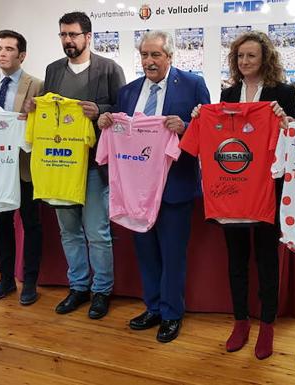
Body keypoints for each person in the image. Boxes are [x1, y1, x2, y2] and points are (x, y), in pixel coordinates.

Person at [98, 30, 210, 342]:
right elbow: (119, 130)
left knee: (173, 255)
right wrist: (106, 122)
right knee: (145, 253)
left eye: (155, 55)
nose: (149, 61)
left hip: (175, 187)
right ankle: (153, 307)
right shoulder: (129, 91)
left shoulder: (192, 85)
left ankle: (173, 314)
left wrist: (186, 128)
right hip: (136, 190)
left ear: (170, 56)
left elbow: (208, 132)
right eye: (145, 55)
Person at [193, 31, 295, 359]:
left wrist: (284, 119)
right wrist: (199, 117)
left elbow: (290, 135)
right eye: (240, 57)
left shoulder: (282, 92)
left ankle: (267, 325)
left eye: (251, 56)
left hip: (266, 187)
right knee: (236, 259)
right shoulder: (228, 92)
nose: (245, 62)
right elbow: (217, 135)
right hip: (233, 191)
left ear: (265, 57)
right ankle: (240, 322)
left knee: (267, 259)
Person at [32, 11, 125, 319]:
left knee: (97, 232)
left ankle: (101, 291)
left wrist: (99, 109)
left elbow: (122, 113)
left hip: (94, 165)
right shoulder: (53, 69)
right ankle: (78, 287)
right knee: (69, 231)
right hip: (59, 166)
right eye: (63, 35)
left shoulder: (110, 69)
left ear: (88, 36)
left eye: (73, 34)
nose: (68, 40)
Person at [0, 30, 44, 305]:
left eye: (9, 49)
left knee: (31, 224)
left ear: (22, 55)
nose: (2, 53)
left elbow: (42, 124)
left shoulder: (38, 85)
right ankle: (5, 280)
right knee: (1, 223)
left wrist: (34, 113)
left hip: (26, 166)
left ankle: (29, 281)